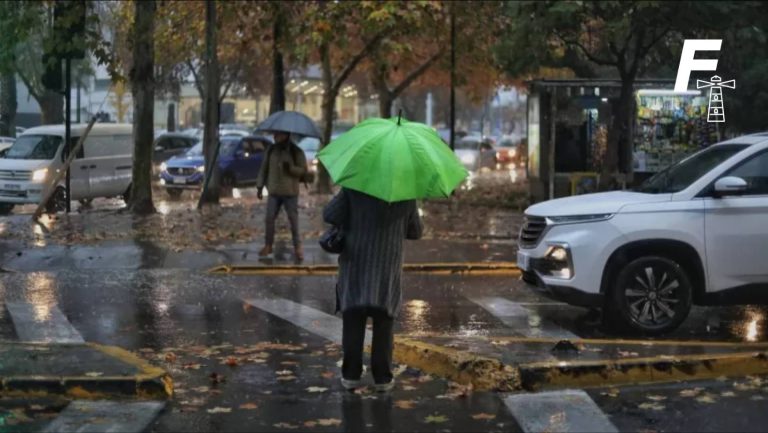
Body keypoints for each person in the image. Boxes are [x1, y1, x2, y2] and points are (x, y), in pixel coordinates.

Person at [323, 188, 423, 392]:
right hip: (387, 266)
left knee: (353, 320)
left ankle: (350, 375)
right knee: (384, 324)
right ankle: (382, 378)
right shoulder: (405, 193)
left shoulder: (354, 187)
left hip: (356, 263)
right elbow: (416, 231)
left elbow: (330, 214)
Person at [256, 130, 308, 260]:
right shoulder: (271, 150)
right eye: (275, 134)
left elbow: (303, 171)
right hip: (274, 191)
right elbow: (264, 168)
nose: (275, 137)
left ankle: (298, 248)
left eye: (278, 135)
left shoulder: (296, 151)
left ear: (286, 135)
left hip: (290, 192)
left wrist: (290, 168)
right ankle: (268, 245)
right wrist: (260, 186)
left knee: (293, 220)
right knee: (269, 218)